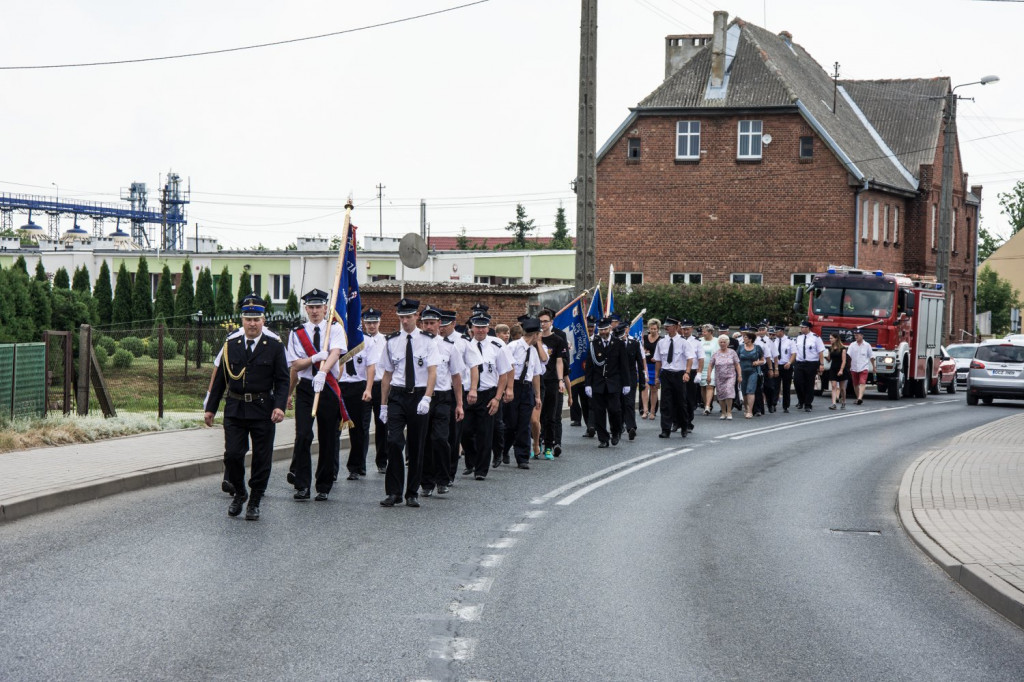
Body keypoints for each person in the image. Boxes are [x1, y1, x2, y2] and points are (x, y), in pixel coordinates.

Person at [205, 295, 288, 520]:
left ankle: (255, 499)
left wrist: (280, 406)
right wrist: (210, 408)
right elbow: (221, 378)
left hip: (263, 409)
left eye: (256, 319)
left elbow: (282, 380)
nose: (252, 324)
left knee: (262, 457)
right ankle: (240, 492)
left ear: (263, 320)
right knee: (232, 455)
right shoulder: (231, 345)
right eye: (248, 319)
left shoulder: (274, 346)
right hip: (235, 407)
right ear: (242, 320)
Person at [377, 298, 440, 508]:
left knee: (416, 445)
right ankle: (393, 492)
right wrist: (383, 405)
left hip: (419, 395)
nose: (405, 321)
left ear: (416, 317)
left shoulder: (428, 340)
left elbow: (432, 372)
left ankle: (411, 492)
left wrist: (427, 397)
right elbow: (387, 374)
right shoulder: (392, 341)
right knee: (394, 442)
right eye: (401, 317)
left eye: (408, 316)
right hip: (397, 395)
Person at [285, 289, 346, 502]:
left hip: (327, 387)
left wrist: (323, 371)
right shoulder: (297, 333)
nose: (314, 311)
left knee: (328, 438)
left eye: (318, 307)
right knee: (303, 435)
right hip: (306, 389)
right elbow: (295, 364)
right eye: (310, 307)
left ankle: (323, 486)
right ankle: (302, 485)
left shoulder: (335, 328)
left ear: (325, 308)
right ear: (306, 308)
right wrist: (313, 360)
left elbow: (336, 353)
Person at [418, 305, 466, 494]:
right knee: (424, 441)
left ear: (439, 324)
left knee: (440, 438)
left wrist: (460, 404)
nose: (428, 326)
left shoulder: (448, 347)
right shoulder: (416, 344)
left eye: (432, 323)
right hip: (422, 396)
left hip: (442, 398)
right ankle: (426, 483)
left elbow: (456, 377)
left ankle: (443, 478)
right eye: (425, 323)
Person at [462, 312, 512, 476]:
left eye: (483, 327)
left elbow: (504, 374)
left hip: (487, 394)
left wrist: (497, 398)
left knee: (485, 433)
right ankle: (471, 462)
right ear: (472, 328)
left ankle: (481, 470)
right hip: (468, 393)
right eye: (477, 327)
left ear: (488, 328)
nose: (480, 330)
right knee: (466, 431)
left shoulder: (496, 345)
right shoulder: (463, 345)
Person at [438, 309, 481, 483]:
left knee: (454, 435)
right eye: (439, 325)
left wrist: (473, 389)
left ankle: (449, 473)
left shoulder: (463, 342)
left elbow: (474, 366)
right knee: (438, 435)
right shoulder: (434, 341)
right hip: (438, 390)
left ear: (453, 324)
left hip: (457, 390)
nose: (441, 328)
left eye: (445, 325)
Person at [504, 317, 546, 467]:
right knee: (511, 423)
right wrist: (507, 389)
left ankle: (522, 458)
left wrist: (537, 396)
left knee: (524, 424)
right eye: (538, 335)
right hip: (512, 386)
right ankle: (504, 449)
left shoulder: (533, 352)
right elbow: (506, 368)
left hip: (526, 389)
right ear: (535, 335)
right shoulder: (513, 347)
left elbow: (535, 375)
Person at [585, 316, 630, 447]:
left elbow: (624, 365)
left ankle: (615, 432)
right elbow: (589, 366)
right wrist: (588, 384)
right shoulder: (594, 344)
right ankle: (603, 439)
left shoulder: (618, 343)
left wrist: (626, 383)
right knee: (599, 412)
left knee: (615, 410)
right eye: (601, 330)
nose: (603, 332)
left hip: (613, 383)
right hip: (598, 384)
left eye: (605, 329)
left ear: (610, 329)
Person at [653, 317, 695, 438]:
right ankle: (665, 429)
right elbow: (658, 361)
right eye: (666, 325)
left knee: (681, 402)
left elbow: (690, 358)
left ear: (676, 327)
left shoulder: (683, 342)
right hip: (666, 374)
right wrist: (656, 377)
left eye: (669, 325)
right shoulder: (661, 342)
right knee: (666, 402)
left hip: (679, 374)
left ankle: (684, 425)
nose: (666, 327)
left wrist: (687, 373)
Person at [538, 308, 572, 458]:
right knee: (537, 416)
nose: (543, 324)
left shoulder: (557, 339)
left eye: (545, 321)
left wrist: (560, 380)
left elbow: (559, 362)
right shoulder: (534, 339)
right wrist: (537, 340)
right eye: (540, 321)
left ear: (551, 322)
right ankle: (536, 443)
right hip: (538, 380)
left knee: (551, 416)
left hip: (551, 380)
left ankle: (549, 446)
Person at [358, 308, 389, 475]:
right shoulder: (360, 340)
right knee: (362, 426)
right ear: (364, 323)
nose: (371, 325)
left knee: (382, 424)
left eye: (374, 322)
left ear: (379, 322)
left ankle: (382, 461)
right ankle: (360, 464)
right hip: (365, 385)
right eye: (368, 322)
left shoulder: (386, 340)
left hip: (382, 385)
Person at [613, 322, 646, 440]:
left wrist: (642, 380)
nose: (622, 336)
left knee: (629, 402)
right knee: (618, 403)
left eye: (624, 333)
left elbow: (640, 364)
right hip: (617, 377)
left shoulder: (634, 344)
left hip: (631, 377)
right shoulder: (614, 344)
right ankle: (619, 425)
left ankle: (631, 427)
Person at [793, 320, 826, 412]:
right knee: (797, 382)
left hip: (811, 363)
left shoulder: (816, 338)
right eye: (801, 327)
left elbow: (820, 351)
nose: (802, 329)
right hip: (799, 362)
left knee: (809, 384)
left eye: (803, 327)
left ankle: (808, 404)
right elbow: (795, 350)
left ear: (808, 328)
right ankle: (801, 400)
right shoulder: (798, 337)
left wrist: (821, 364)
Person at [709, 334, 741, 419]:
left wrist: (740, 375)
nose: (722, 343)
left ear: (727, 343)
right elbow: (710, 365)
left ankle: (729, 412)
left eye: (724, 342)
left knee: (729, 391)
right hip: (719, 377)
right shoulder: (716, 353)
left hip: (730, 376)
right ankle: (723, 412)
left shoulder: (732, 352)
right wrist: (708, 376)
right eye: (721, 342)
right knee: (721, 394)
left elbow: (737, 364)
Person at [737, 329, 766, 419]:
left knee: (751, 390)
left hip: (753, 371)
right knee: (744, 391)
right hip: (742, 372)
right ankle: (746, 408)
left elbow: (762, 360)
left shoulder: (757, 348)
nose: (743, 339)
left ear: (750, 339)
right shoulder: (740, 347)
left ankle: (750, 411)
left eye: (745, 337)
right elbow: (736, 360)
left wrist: (758, 363)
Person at [680, 320, 702, 432]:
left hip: (692, 371)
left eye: (687, 329)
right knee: (679, 398)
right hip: (679, 371)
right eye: (683, 329)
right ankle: (677, 421)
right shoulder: (678, 340)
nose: (685, 331)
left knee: (689, 398)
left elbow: (701, 358)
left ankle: (688, 422)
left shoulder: (697, 342)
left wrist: (699, 373)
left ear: (692, 329)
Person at [846, 328, 876, 405]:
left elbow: (871, 357)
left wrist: (874, 367)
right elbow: (848, 356)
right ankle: (858, 397)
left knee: (862, 382)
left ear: (862, 336)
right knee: (855, 384)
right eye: (855, 335)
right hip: (854, 367)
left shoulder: (867, 345)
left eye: (857, 335)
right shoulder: (852, 345)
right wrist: (846, 366)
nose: (856, 337)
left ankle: (860, 398)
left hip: (864, 367)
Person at [754, 323, 778, 414]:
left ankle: (770, 404)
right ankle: (759, 408)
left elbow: (775, 355)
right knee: (758, 387)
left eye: (762, 329)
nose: (760, 331)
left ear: (766, 330)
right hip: (757, 364)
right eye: (759, 330)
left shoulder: (770, 341)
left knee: (770, 387)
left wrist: (775, 369)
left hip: (768, 365)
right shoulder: (754, 340)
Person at [641, 319, 661, 420]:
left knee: (654, 389)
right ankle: (645, 410)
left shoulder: (661, 340)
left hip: (656, 366)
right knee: (645, 387)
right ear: (648, 328)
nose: (653, 331)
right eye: (651, 329)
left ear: (658, 329)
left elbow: (662, 353)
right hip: (645, 366)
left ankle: (653, 411)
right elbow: (640, 350)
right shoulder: (644, 338)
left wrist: (657, 358)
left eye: (655, 329)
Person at [773, 326, 797, 413]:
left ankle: (786, 406)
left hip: (786, 365)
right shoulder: (774, 341)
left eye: (777, 331)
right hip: (777, 366)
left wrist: (790, 363)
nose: (776, 333)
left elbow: (794, 353)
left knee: (786, 387)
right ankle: (773, 404)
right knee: (775, 386)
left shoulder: (790, 341)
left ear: (782, 331)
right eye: (775, 331)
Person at [827, 332, 850, 409]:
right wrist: (824, 357)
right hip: (833, 368)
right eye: (830, 338)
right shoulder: (830, 348)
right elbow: (829, 359)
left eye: (831, 338)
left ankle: (843, 401)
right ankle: (834, 404)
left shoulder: (843, 349)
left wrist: (841, 370)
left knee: (842, 388)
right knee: (833, 386)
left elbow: (844, 360)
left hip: (841, 369)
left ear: (836, 339)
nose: (830, 340)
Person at [699, 324, 718, 415]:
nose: (703, 333)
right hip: (701, 367)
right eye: (702, 332)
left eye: (705, 332)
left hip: (712, 366)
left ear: (710, 332)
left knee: (709, 385)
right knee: (703, 386)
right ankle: (707, 404)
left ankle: (707, 406)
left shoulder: (716, 341)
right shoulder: (699, 341)